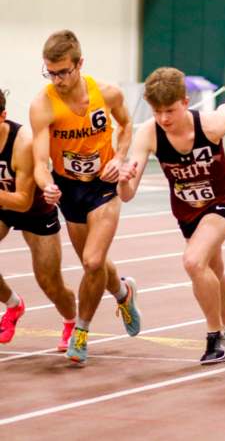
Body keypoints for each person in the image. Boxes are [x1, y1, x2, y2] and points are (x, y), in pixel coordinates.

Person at [118, 67, 225, 364]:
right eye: (157, 111)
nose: (164, 119)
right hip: (187, 211)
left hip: (224, 200)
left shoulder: (209, 124)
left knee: (194, 262)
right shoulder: (149, 134)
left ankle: (214, 337)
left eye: (169, 110)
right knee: (214, 270)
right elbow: (127, 195)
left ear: (185, 102)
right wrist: (122, 178)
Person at [30, 30, 141, 364]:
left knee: (93, 261)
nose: (58, 79)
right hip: (69, 188)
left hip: (103, 186)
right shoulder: (42, 105)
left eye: (64, 71)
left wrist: (118, 159)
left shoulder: (107, 93)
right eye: (51, 72)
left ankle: (82, 331)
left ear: (80, 64)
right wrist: (46, 183)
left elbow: (125, 126)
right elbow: (38, 161)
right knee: (92, 263)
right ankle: (123, 292)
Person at [0, 90, 77, 348]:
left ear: (3, 117)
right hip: (2, 204)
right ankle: (13, 306)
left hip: (34, 210)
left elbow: (22, 201)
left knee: (49, 282)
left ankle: (71, 321)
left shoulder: (23, 143)